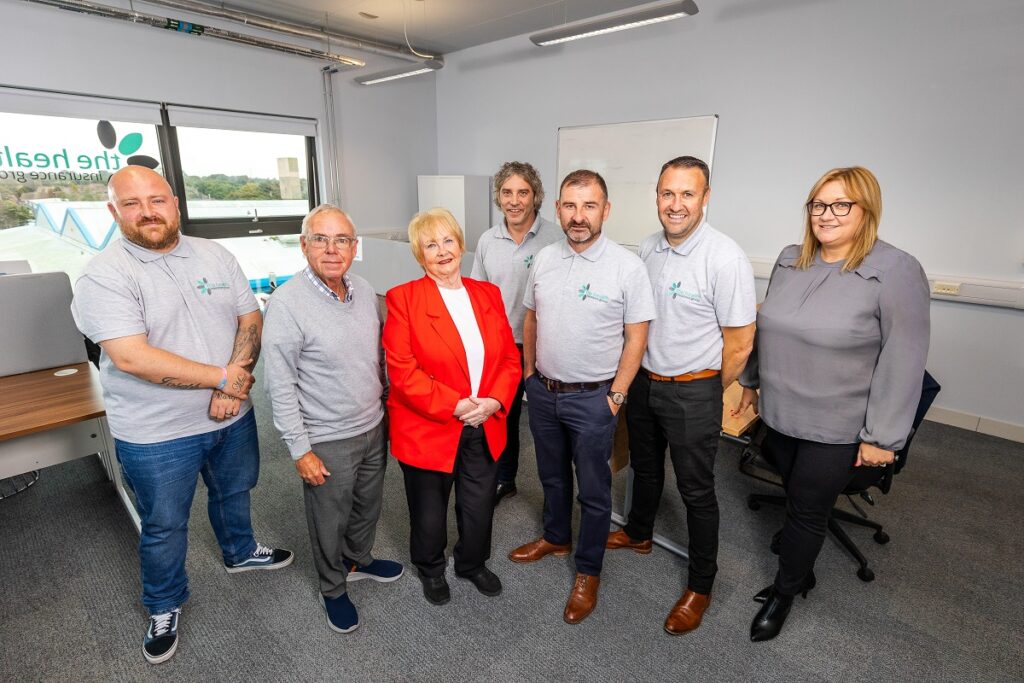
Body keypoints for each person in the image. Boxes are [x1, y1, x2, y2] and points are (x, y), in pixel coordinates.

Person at [70, 166, 293, 665]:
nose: (147, 211)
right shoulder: (104, 274)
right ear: (113, 212)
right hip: (157, 433)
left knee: (235, 490)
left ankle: (239, 551)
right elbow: (132, 356)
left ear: (175, 202)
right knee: (165, 524)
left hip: (231, 414)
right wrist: (222, 378)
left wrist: (234, 380)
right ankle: (164, 604)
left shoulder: (214, 254)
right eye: (132, 203)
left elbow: (249, 315)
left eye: (157, 199)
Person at [736, 166, 930, 641]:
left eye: (841, 205)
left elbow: (903, 360)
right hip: (780, 414)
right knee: (797, 494)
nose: (826, 215)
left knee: (804, 508)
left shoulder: (896, 270)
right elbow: (769, 329)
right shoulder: (789, 259)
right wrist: (750, 381)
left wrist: (883, 438)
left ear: (867, 210)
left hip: (839, 425)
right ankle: (803, 560)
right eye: (818, 204)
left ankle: (787, 588)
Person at [606, 156, 756, 634]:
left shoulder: (725, 258)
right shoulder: (648, 248)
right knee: (646, 468)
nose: (676, 204)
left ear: (705, 198)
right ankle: (639, 532)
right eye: (667, 194)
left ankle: (701, 584)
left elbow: (741, 343)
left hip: (694, 390)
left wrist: (708, 388)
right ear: (656, 197)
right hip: (647, 383)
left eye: (687, 194)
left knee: (696, 491)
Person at [509, 170, 656, 624]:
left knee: (594, 491)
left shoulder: (627, 267)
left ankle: (588, 570)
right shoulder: (545, 259)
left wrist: (616, 397)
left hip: (594, 400)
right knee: (551, 476)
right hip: (546, 393)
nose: (579, 216)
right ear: (557, 209)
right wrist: (531, 374)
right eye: (570, 206)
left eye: (589, 206)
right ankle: (556, 536)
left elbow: (637, 337)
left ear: (605, 211)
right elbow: (531, 320)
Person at [262, 204, 403, 635]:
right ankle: (333, 587)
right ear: (304, 245)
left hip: (371, 424)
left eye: (341, 239)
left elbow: (376, 358)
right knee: (329, 517)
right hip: (326, 437)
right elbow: (279, 385)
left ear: (354, 247)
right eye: (320, 239)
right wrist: (300, 450)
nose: (331, 249)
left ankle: (358, 557)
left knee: (367, 506)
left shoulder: (362, 289)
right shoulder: (287, 304)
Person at [383, 208, 521, 606]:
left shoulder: (487, 294)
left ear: (461, 244)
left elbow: (510, 359)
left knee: (478, 504)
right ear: (419, 254)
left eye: (448, 241)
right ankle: (430, 568)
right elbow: (403, 373)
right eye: (430, 244)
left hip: (486, 420)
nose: (442, 251)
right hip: (431, 427)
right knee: (429, 511)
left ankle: (471, 563)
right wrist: (458, 406)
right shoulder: (403, 299)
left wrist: (494, 400)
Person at [471, 161, 562, 505]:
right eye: (507, 192)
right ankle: (505, 479)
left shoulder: (556, 238)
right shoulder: (487, 240)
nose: (514, 200)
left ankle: (556, 493)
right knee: (502, 418)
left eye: (522, 192)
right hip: (501, 346)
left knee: (546, 424)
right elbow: (478, 294)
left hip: (543, 347)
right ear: (499, 197)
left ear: (535, 196)